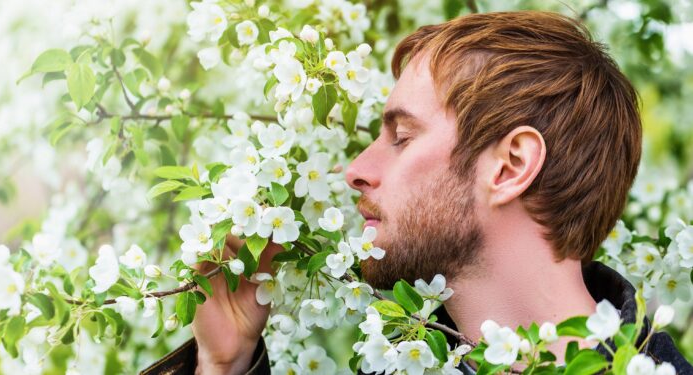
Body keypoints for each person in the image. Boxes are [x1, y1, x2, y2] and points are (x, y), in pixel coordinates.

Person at [142, 11, 693, 375]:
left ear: (509, 167)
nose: (355, 170)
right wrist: (225, 365)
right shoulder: (397, 357)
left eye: (402, 137)